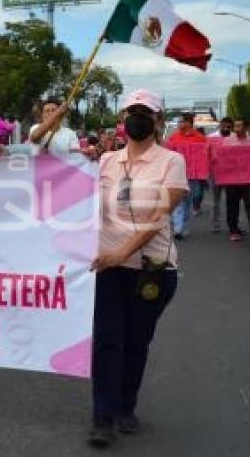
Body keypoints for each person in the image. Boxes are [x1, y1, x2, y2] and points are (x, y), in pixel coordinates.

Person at [89, 89, 187, 447]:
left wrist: (122, 253)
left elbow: (157, 218)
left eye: (145, 112)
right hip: (108, 269)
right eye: (132, 110)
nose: (137, 117)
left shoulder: (171, 162)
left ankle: (125, 407)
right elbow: (84, 208)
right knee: (107, 342)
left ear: (158, 121)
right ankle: (102, 416)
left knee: (135, 343)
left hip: (152, 269)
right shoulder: (106, 162)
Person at [221, 118, 250, 242]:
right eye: (235, 126)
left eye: (239, 126)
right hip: (232, 180)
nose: (237, 128)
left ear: (245, 127)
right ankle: (234, 231)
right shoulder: (228, 141)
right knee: (232, 206)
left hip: (248, 180)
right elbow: (223, 159)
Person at [166, 112, 207, 239]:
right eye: (179, 122)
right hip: (177, 175)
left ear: (189, 123)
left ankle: (181, 226)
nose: (179, 124)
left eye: (182, 121)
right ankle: (178, 228)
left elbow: (205, 155)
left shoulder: (200, 138)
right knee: (178, 201)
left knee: (188, 201)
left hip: (193, 176)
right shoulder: (173, 137)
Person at [207, 117, 233, 232]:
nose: (226, 128)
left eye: (228, 127)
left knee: (231, 201)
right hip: (214, 174)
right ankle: (215, 224)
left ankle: (232, 224)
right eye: (224, 126)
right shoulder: (211, 138)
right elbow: (205, 155)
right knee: (214, 202)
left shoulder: (234, 138)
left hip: (230, 175)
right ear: (220, 126)